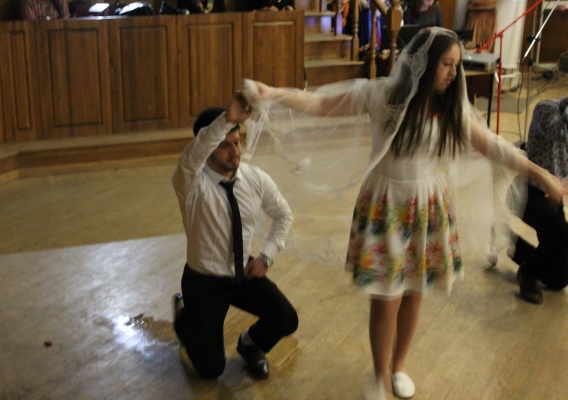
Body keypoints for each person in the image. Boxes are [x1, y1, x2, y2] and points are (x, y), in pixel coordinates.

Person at [239, 27, 568, 399]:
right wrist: (271, 93)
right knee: (386, 298)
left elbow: (494, 146)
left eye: (456, 65)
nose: (453, 73)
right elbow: (318, 105)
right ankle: (380, 375)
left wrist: (544, 176)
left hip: (427, 206)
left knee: (414, 292)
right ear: (424, 62)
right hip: (386, 205)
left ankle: (398, 366)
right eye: (446, 64)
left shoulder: (450, 107)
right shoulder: (382, 95)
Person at [171, 95, 298, 380]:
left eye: (237, 142)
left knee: (287, 319)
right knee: (210, 370)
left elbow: (283, 215)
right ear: (207, 149)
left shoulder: (254, 178)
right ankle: (184, 319)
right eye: (224, 145)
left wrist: (266, 257)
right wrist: (227, 119)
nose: (234, 152)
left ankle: (250, 344)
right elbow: (191, 157)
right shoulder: (190, 182)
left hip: (241, 272)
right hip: (203, 283)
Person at [511, 96, 568, 304]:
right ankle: (528, 272)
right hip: (527, 191)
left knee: (559, 279)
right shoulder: (546, 109)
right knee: (562, 234)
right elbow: (558, 133)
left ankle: (507, 239)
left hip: (553, 197)